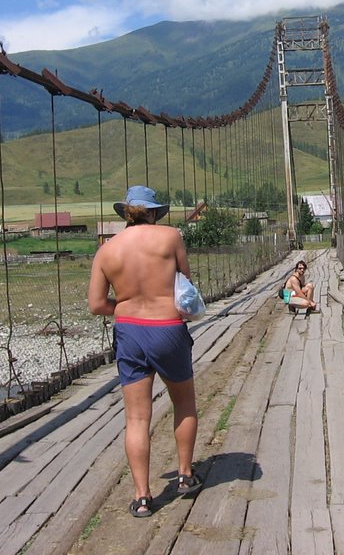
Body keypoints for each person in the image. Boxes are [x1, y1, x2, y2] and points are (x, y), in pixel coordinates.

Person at [87, 185, 201, 518]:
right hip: (168, 328)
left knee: (137, 418)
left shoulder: (107, 251)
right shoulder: (170, 237)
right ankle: (184, 476)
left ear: (125, 213)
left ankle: (141, 497)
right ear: (153, 212)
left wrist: (125, 307)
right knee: (184, 402)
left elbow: (96, 305)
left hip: (129, 333)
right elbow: (186, 290)